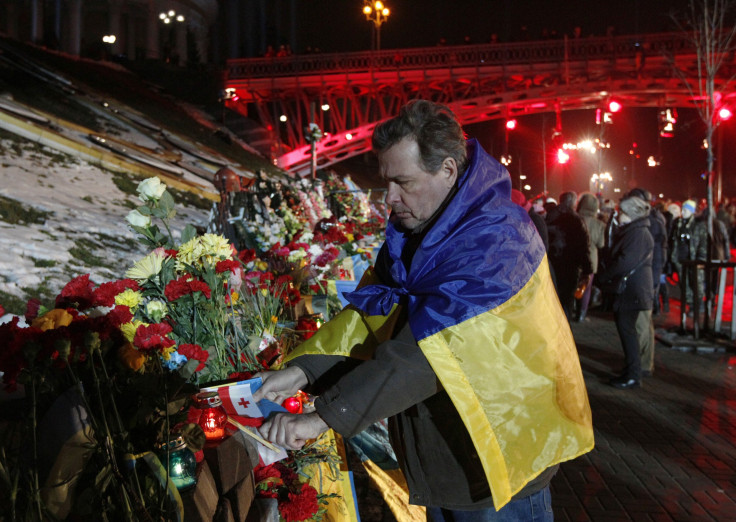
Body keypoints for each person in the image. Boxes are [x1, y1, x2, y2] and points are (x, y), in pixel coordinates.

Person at [253, 100, 594, 519]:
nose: (390, 199)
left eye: (403, 182)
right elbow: (373, 313)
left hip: (496, 462)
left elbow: (428, 349)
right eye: (386, 183)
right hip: (448, 462)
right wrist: (303, 370)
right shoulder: (421, 227)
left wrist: (323, 416)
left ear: (448, 170)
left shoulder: (496, 239)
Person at [597, 193, 654, 389]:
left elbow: (625, 261)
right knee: (626, 330)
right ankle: (631, 370)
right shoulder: (635, 230)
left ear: (630, 213)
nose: (618, 215)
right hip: (633, 290)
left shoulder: (637, 233)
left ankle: (633, 375)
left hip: (633, 291)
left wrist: (604, 276)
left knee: (627, 331)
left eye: (621, 212)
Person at [546, 191, 593, 320]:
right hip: (570, 266)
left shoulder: (550, 216)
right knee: (566, 303)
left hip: (552, 264)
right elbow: (583, 245)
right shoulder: (576, 219)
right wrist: (587, 269)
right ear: (573, 202)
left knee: (553, 300)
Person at [669, 199, 707, 309]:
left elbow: (703, 242)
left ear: (692, 211)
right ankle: (690, 304)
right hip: (680, 259)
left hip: (694, 259)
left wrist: (701, 258)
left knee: (696, 282)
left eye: (685, 210)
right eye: (683, 209)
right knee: (684, 283)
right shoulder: (678, 223)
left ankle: (698, 304)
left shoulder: (699, 225)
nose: (683, 212)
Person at [576, 193, 605, 322]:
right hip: (591, 258)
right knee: (586, 288)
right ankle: (581, 314)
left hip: (575, 257)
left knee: (573, 284)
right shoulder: (599, 224)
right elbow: (601, 243)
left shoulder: (575, 219)